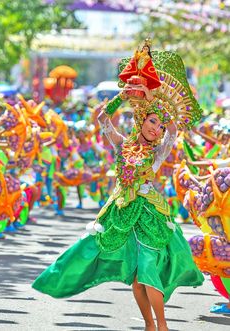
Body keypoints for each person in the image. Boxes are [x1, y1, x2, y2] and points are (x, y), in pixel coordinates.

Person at [32, 49, 204, 331]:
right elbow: (102, 119)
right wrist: (122, 97)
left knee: (148, 270)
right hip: (121, 211)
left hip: (149, 214)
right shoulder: (122, 144)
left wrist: (155, 101)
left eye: (159, 126)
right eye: (151, 122)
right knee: (136, 279)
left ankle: (162, 326)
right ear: (141, 121)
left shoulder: (158, 151)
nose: (156, 129)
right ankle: (150, 324)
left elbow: (173, 131)